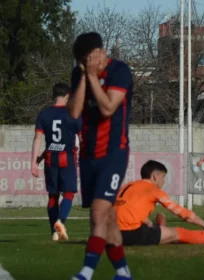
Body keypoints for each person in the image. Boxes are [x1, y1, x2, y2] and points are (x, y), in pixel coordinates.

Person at [69, 32, 133, 280]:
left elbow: (107, 107)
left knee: (97, 212)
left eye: (85, 60)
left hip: (113, 153)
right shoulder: (80, 74)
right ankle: (123, 272)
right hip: (88, 154)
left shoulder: (120, 71)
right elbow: (74, 112)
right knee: (108, 219)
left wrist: (94, 76)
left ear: (99, 52)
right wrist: (86, 76)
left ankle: (85, 273)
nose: (82, 66)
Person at [115, 160, 204, 246]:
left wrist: (147, 222)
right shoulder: (153, 190)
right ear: (154, 176)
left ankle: (158, 229)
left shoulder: (129, 186)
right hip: (130, 234)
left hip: (112, 233)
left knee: (156, 230)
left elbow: (126, 211)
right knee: (180, 233)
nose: (164, 181)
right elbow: (183, 214)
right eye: (163, 177)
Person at [31, 83, 82, 241]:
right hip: (66, 157)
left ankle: (54, 231)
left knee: (53, 196)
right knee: (68, 193)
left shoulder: (44, 114)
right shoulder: (73, 114)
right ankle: (60, 223)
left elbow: (38, 139)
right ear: (68, 96)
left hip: (50, 159)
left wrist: (34, 162)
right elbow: (82, 138)